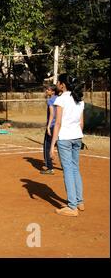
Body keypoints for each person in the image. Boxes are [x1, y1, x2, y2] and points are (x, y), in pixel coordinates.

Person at [50, 73, 85, 217]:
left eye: (58, 82)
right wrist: (78, 136)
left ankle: (72, 207)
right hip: (77, 137)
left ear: (63, 84)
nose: (57, 84)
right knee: (75, 168)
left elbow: (57, 123)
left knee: (68, 171)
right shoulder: (79, 99)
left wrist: (52, 145)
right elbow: (81, 123)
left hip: (65, 138)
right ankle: (79, 201)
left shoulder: (61, 99)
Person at [41, 84, 58, 175]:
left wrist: (48, 126)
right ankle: (67, 166)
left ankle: (49, 168)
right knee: (62, 147)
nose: (46, 91)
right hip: (59, 126)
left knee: (47, 147)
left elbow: (52, 114)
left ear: (53, 91)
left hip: (52, 126)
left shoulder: (50, 100)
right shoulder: (59, 99)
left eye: (48, 89)